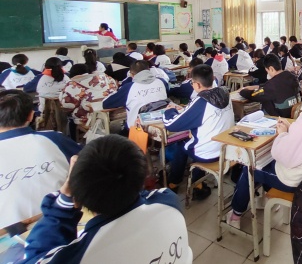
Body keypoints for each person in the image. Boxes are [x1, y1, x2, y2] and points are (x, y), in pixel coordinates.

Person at [21, 135, 193, 264]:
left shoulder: (81, 255)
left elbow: (35, 256)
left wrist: (64, 202)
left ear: (78, 191)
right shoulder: (168, 202)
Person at [227, 67, 302, 229]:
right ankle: (266, 198)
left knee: (251, 167)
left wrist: (282, 134)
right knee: (265, 161)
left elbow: (284, 156)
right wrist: (291, 128)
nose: (301, 86)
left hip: (299, 178)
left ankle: (235, 215)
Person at [0, 90, 80, 232]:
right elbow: (88, 164)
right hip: (64, 224)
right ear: (31, 115)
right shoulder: (54, 139)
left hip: (10, 236)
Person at [163, 65, 235, 195]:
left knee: (181, 145)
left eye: (192, 83)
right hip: (226, 149)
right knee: (198, 141)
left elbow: (171, 125)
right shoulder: (225, 93)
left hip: (209, 154)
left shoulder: (201, 101)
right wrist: (184, 111)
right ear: (213, 78)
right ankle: (197, 181)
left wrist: (169, 111)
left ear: (197, 84)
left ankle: (174, 182)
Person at [102, 60, 169, 129]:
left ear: (131, 74)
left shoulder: (128, 88)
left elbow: (106, 104)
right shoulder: (162, 82)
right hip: (163, 123)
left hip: (138, 128)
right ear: (149, 70)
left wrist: (112, 91)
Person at [239, 54, 300, 118]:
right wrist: (257, 87)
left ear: (271, 68)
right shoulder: (291, 76)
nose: (268, 74)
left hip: (279, 117)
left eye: (267, 71)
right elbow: (272, 86)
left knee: (264, 101)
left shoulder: (272, 85)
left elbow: (254, 95)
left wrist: (242, 91)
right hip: (291, 113)